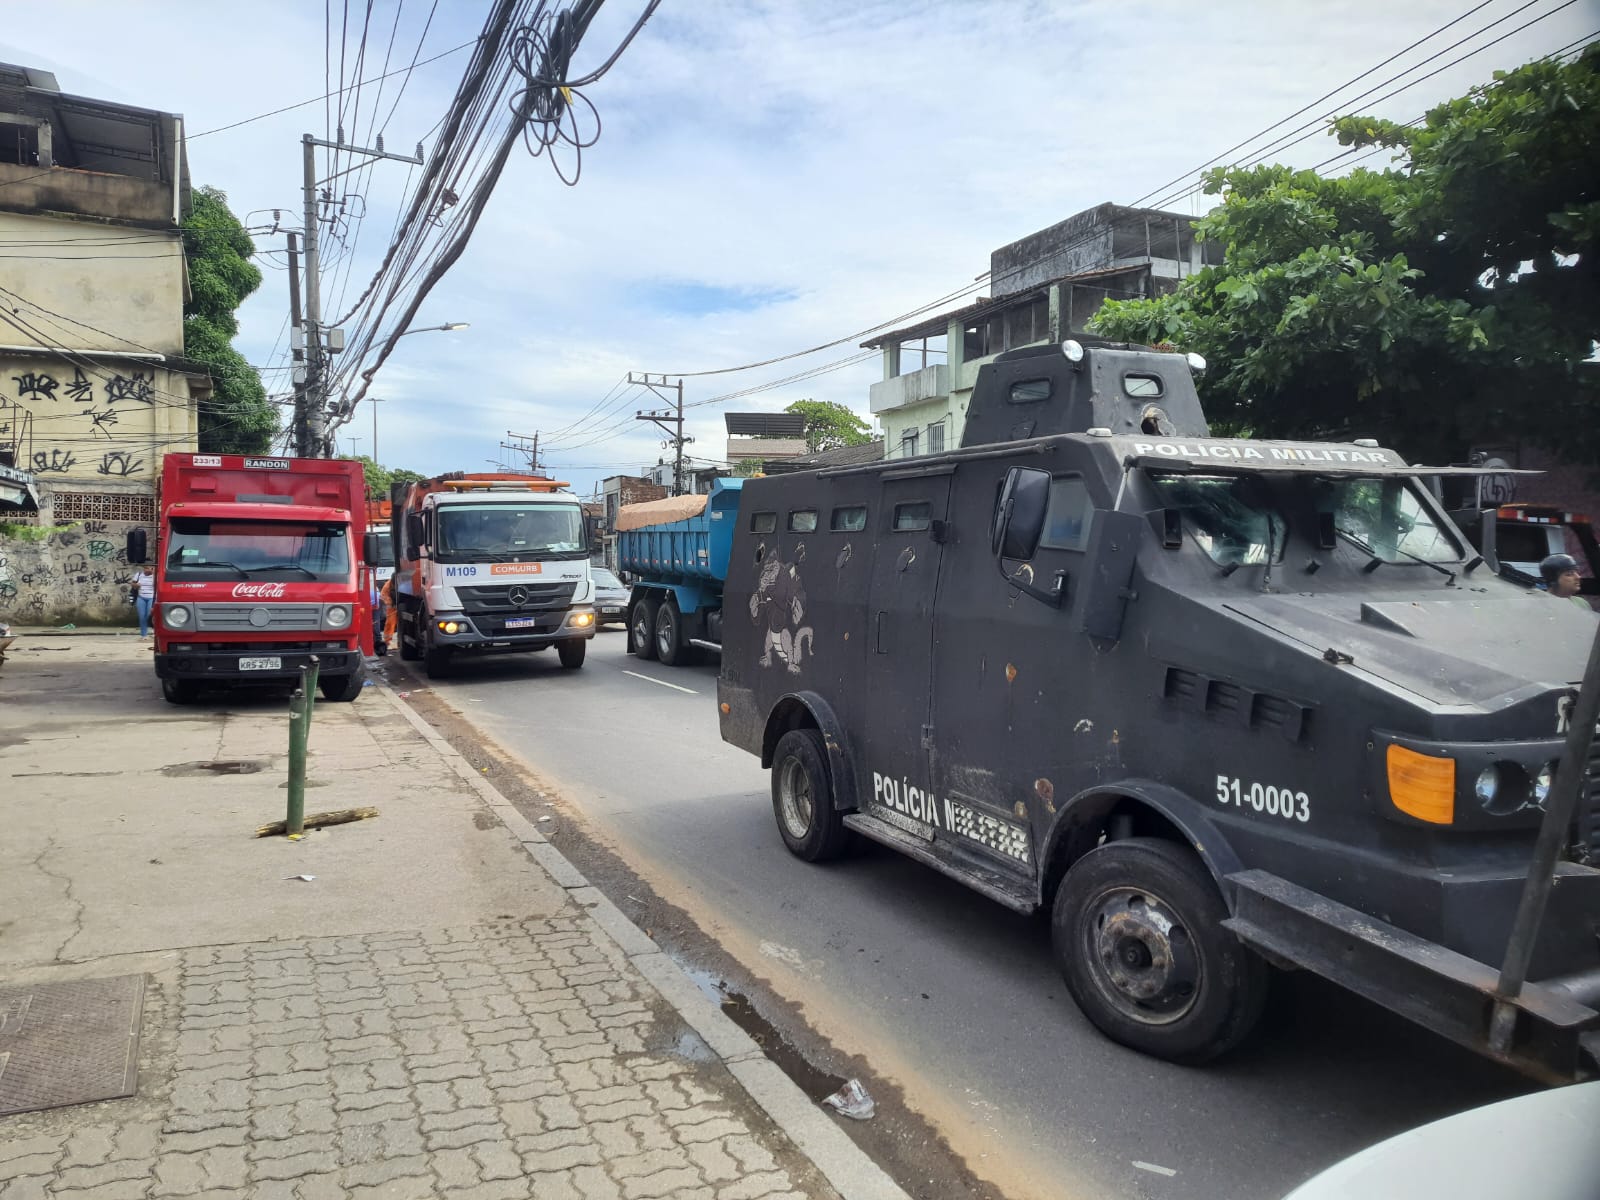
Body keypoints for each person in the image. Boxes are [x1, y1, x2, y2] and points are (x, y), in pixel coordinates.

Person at [131, 564, 156, 638]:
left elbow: (156, 584)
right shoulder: (139, 575)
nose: (147, 570)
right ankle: (143, 634)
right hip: (141, 597)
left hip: (151, 597)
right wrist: (136, 585)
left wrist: (154, 574)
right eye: (145, 568)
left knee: (149, 615)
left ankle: (153, 631)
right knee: (142, 616)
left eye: (149, 568)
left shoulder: (155, 576)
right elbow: (132, 583)